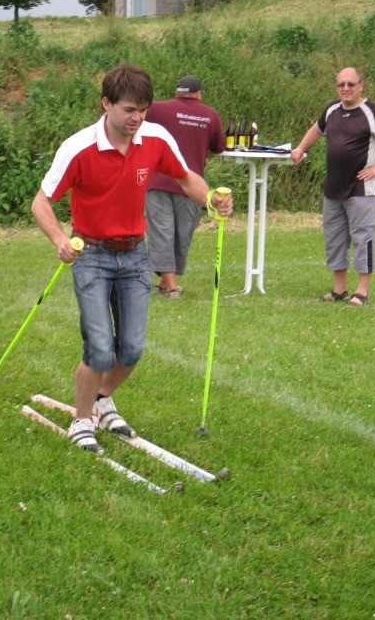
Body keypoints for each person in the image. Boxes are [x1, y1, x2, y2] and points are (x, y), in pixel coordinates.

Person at [31, 63, 232, 452]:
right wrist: (59, 239)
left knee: (132, 348)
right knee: (99, 348)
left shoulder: (155, 138)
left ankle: (102, 400)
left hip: (135, 255)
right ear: (106, 104)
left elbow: (185, 177)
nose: (137, 118)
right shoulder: (78, 147)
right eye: (128, 110)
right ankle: (82, 421)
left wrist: (211, 199)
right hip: (91, 254)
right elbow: (41, 202)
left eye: (142, 109)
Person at [290, 66, 375, 306]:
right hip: (333, 190)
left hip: (362, 190)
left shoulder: (373, 113)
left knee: (364, 238)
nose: (346, 88)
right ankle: (339, 290)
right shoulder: (332, 110)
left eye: (351, 84)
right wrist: (301, 148)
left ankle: (361, 292)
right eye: (341, 84)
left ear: (361, 86)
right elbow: (317, 128)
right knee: (334, 238)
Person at [145, 75, 225, 297]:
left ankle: (165, 284)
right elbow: (219, 147)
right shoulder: (210, 115)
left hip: (158, 181)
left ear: (177, 91)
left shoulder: (157, 109)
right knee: (182, 235)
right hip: (192, 185)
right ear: (198, 94)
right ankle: (171, 287)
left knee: (161, 232)